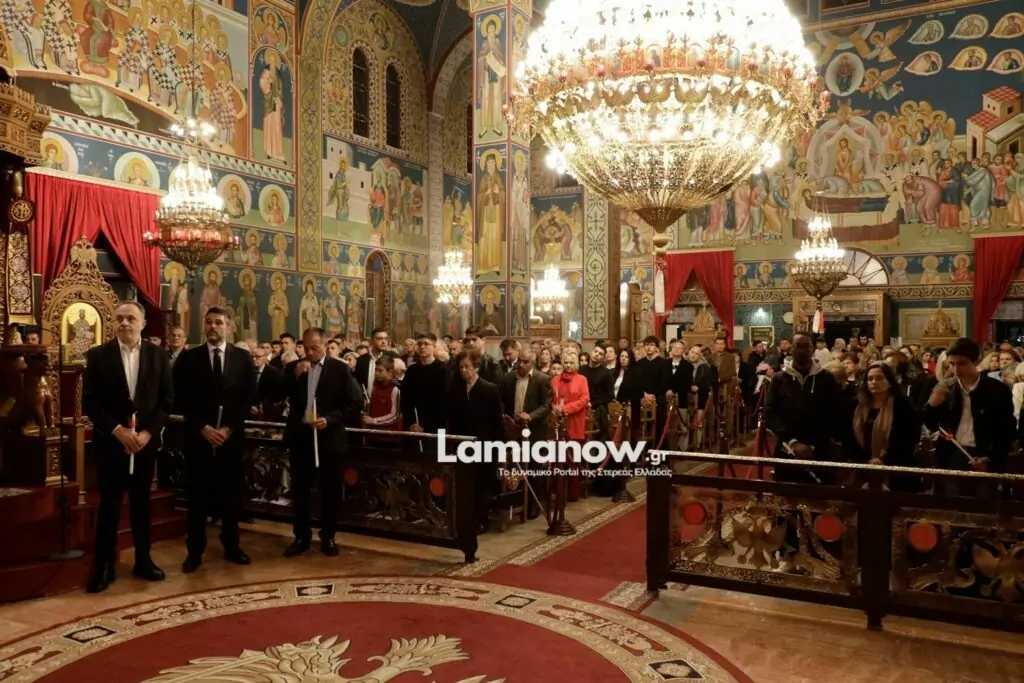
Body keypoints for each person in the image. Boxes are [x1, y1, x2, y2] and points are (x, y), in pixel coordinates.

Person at [83, 301, 173, 593]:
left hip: (144, 445)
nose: (124, 323)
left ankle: (143, 560)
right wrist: (117, 430)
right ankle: (104, 566)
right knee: (109, 504)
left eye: (130, 318)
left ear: (143, 324)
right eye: (119, 318)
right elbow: (90, 402)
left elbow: (166, 402)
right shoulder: (98, 356)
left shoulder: (159, 356)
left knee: (141, 503)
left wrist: (147, 434)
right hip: (112, 444)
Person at [173, 307, 257, 573]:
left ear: (228, 326)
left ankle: (232, 546)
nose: (213, 327)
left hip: (230, 441)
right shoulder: (189, 359)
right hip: (199, 439)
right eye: (208, 322)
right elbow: (181, 398)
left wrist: (229, 429)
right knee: (197, 499)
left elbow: (247, 399)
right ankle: (195, 551)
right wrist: (203, 428)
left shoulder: (242, 358)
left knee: (231, 497)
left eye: (219, 322)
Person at [277, 327, 364, 556]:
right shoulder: (294, 367)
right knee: (300, 491)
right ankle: (301, 536)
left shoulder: (340, 369)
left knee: (330, 491)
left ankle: (329, 537)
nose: (309, 353)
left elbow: (355, 403)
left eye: (314, 348)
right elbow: (278, 394)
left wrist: (330, 419)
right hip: (302, 437)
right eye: (305, 348)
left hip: (329, 438)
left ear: (325, 345)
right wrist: (294, 375)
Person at [923, 337, 1016, 497]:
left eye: (962, 363)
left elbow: (1006, 431)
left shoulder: (997, 390)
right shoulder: (946, 387)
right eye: (952, 364)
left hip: (982, 454)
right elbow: (931, 424)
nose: (956, 370)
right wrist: (932, 405)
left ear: (976, 361)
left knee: (982, 505)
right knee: (949, 505)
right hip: (951, 455)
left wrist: (991, 460)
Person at [763, 332, 844, 484]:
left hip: (819, 450)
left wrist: (813, 445)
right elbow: (770, 412)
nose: (802, 350)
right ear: (791, 349)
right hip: (787, 449)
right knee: (787, 494)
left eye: (806, 346)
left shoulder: (826, 379)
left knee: (820, 494)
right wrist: (793, 443)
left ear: (813, 349)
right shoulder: (779, 379)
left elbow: (834, 413)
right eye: (797, 346)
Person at [448, 349, 504, 533]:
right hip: (462, 443)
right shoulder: (456, 389)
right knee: (464, 483)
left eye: (467, 367)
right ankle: (466, 519)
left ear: (476, 367)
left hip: (484, 443)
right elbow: (453, 418)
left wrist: (499, 447)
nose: (464, 371)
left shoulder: (489, 389)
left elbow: (497, 421)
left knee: (481, 483)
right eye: (461, 367)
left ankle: (481, 519)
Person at [850, 361, 923, 491]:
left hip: (896, 468)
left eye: (879, 378)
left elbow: (908, 438)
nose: (874, 382)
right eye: (870, 379)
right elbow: (849, 437)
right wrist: (865, 461)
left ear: (889, 381)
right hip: (862, 466)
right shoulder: (857, 405)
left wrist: (883, 461)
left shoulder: (902, 404)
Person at [551, 352, 590, 501]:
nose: (568, 365)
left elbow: (584, 399)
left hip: (575, 422)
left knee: (573, 459)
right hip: (557, 422)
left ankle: (572, 493)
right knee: (557, 458)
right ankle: (556, 490)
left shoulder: (582, 379)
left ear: (576, 364)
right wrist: (554, 408)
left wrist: (566, 409)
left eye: (571, 363)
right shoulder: (555, 379)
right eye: (566, 362)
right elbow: (551, 397)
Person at [401, 333, 450, 432]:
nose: (422, 347)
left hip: (438, 426)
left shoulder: (443, 371)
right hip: (415, 424)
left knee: (439, 442)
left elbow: (445, 403)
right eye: (419, 344)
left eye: (426, 344)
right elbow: (405, 399)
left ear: (434, 346)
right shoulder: (411, 370)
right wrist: (412, 423)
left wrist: (427, 428)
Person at [362, 356, 402, 432]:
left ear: (390, 372)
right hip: (373, 433)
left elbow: (395, 416)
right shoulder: (375, 388)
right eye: (376, 370)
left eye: (380, 371)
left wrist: (374, 421)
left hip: (389, 434)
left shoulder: (395, 389)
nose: (376, 373)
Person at [354, 327, 397, 396]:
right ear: (371, 341)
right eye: (380, 339)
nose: (384, 342)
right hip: (366, 399)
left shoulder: (393, 357)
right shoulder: (361, 360)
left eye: (386, 338)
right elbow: (357, 382)